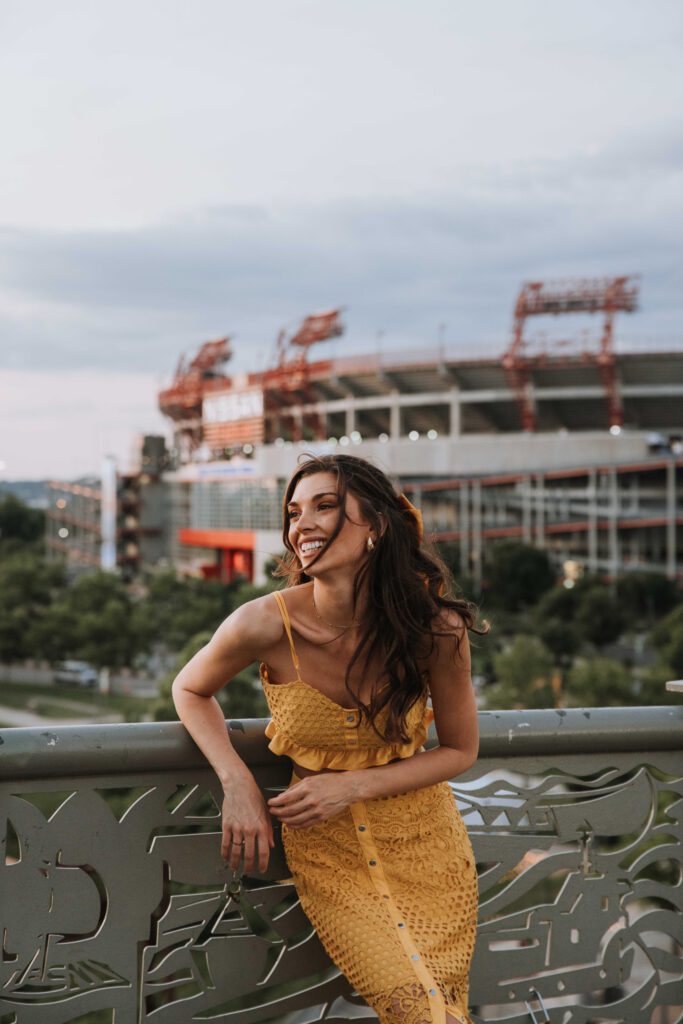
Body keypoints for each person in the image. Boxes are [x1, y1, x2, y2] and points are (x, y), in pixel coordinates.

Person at [172, 453, 488, 1024]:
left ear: (377, 525)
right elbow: (190, 690)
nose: (302, 525)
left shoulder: (436, 629)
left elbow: (460, 750)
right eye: (293, 512)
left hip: (427, 848)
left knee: (443, 1007)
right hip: (330, 858)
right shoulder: (263, 624)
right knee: (417, 1007)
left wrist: (350, 787)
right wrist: (237, 781)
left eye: (324, 506)